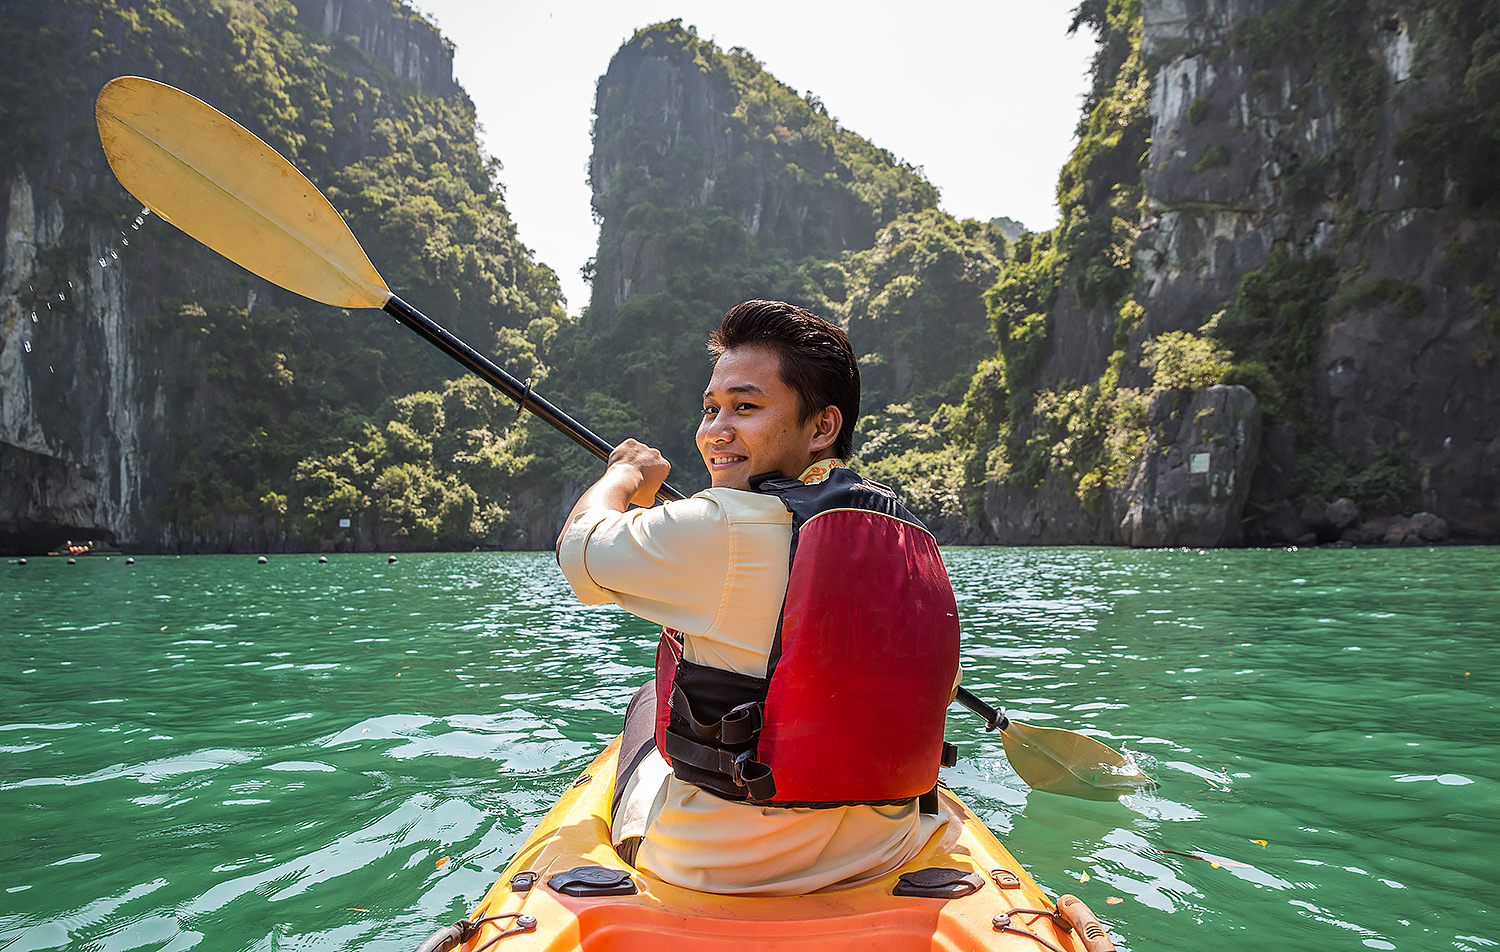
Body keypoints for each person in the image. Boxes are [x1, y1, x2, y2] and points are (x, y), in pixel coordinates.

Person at [555, 300, 961, 895]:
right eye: (711, 409)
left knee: (649, 701)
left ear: (822, 427)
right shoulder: (906, 538)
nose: (715, 431)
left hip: (720, 870)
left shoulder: (717, 524)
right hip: (889, 855)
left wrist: (624, 476)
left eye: (745, 407)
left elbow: (578, 549)